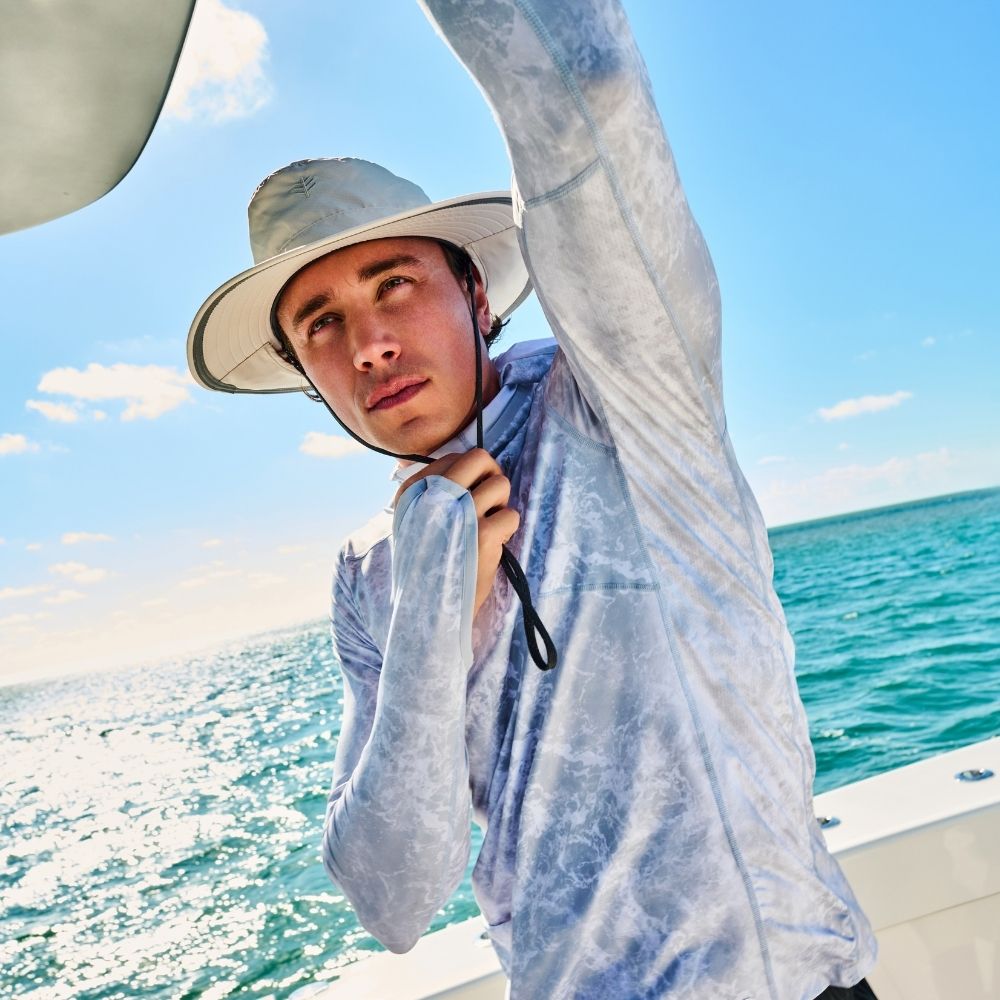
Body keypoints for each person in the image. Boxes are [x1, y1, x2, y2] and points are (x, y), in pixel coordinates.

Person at [187, 1, 879, 997]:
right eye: (322, 324)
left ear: (476, 296)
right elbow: (393, 898)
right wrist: (430, 624)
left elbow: (587, 87)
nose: (369, 344)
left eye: (393, 284)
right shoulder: (367, 570)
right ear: (307, 373)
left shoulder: (618, 394)